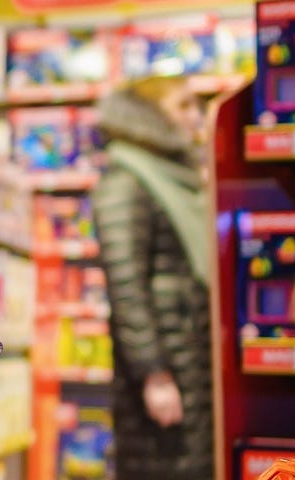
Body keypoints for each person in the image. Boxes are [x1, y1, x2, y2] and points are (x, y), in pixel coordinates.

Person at [90, 76, 213, 479]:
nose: (196, 116)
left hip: (189, 360)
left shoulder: (173, 175)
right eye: (183, 106)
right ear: (151, 115)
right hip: (165, 369)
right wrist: (155, 375)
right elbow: (126, 288)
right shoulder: (126, 181)